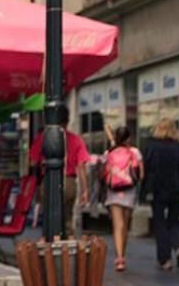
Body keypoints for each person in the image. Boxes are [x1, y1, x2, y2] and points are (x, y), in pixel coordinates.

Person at [142, 117, 179, 271]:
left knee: (160, 223)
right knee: (173, 221)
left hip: (158, 190)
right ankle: (178, 248)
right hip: (176, 190)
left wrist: (143, 192)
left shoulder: (151, 147)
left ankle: (165, 260)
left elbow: (146, 171)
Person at [29, 105, 90, 233]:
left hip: (48, 180)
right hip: (69, 181)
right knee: (67, 220)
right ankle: (67, 249)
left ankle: (51, 246)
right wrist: (85, 190)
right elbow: (81, 166)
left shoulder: (43, 138)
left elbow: (33, 162)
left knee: (49, 219)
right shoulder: (76, 139)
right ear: (67, 121)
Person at [102, 124, 142, 271]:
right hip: (130, 191)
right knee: (125, 224)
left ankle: (119, 258)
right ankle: (122, 253)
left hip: (113, 191)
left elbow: (104, 172)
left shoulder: (109, 152)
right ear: (129, 138)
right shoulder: (134, 152)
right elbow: (141, 174)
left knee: (117, 225)